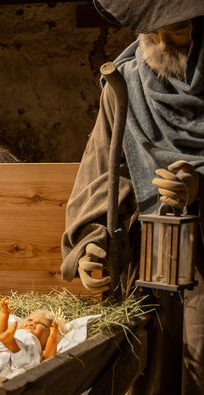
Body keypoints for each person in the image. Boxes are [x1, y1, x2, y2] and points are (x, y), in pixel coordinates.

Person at [61, 1, 204, 393]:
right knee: (150, 373)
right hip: (149, 264)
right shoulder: (124, 84)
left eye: (175, 31)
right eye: (149, 32)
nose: (159, 42)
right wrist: (93, 246)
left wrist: (199, 185)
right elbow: (103, 173)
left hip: (202, 270)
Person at [0, 299, 58, 376]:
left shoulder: (36, 344)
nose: (33, 322)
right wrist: (4, 315)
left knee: (24, 358)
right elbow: (2, 332)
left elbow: (48, 356)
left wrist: (53, 338)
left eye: (41, 324)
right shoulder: (17, 332)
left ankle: (12, 344)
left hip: (20, 362)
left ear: (47, 337)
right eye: (29, 320)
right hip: (2, 354)